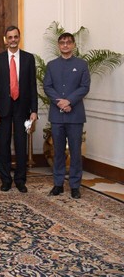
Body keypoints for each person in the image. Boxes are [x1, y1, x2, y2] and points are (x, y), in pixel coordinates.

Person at [0, 25, 38, 193]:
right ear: (6, 40)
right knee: (3, 144)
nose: (13, 40)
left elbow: (33, 85)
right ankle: (5, 179)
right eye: (9, 37)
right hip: (3, 108)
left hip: (23, 108)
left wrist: (34, 110)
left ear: (19, 38)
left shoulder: (28, 58)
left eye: (15, 37)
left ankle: (20, 180)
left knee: (20, 144)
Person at [44, 32, 90, 199]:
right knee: (58, 151)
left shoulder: (82, 64)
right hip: (57, 116)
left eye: (68, 42)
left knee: (76, 152)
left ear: (73, 45)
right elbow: (47, 86)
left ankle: (75, 185)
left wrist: (69, 101)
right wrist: (60, 102)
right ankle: (58, 184)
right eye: (62, 42)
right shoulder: (51, 65)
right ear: (58, 45)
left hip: (75, 116)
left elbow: (84, 87)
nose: (65, 45)